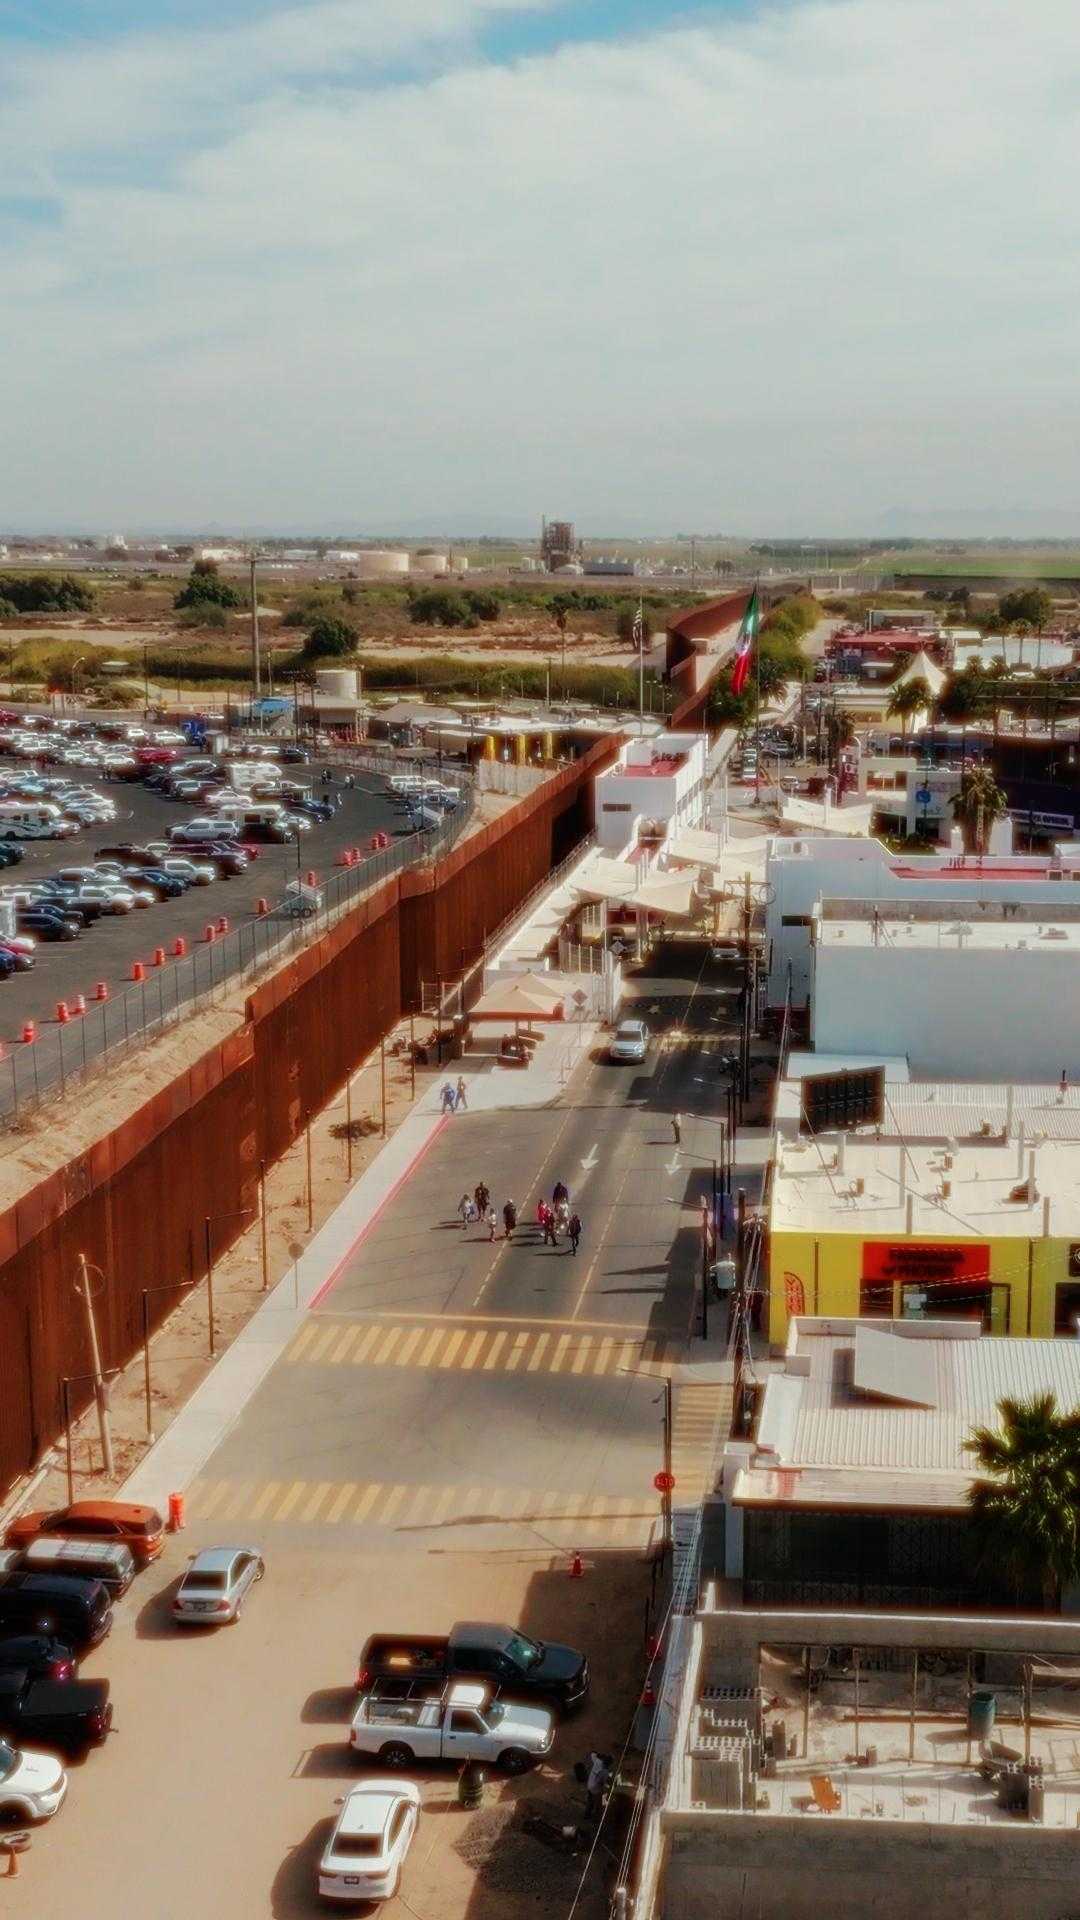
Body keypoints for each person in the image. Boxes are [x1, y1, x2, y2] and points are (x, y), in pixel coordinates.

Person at [584, 1750, 612, 1820]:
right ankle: (594, 1818)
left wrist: (600, 1754)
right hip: (596, 1790)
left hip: (589, 1785)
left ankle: (587, 1815)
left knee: (590, 1801)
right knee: (597, 1804)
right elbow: (604, 1783)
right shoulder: (605, 1772)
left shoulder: (597, 1761)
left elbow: (592, 1753)